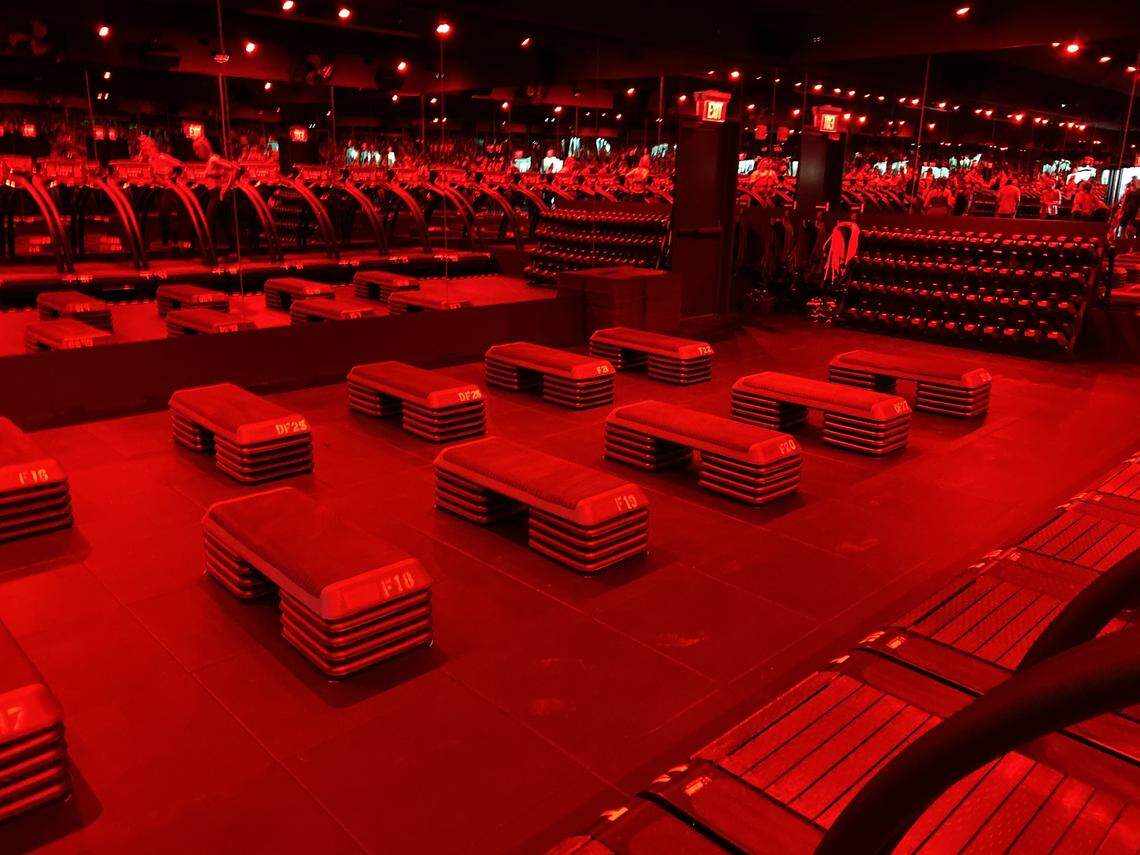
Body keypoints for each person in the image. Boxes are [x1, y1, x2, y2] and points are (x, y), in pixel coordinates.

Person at [192, 136, 239, 253]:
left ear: (204, 148)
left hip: (216, 196)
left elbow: (233, 167)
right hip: (215, 194)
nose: (197, 153)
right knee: (223, 224)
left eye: (197, 150)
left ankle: (212, 252)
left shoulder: (214, 159)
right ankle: (229, 251)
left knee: (210, 223)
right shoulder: (211, 160)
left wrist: (227, 185)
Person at [135, 134, 182, 247]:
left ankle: (171, 238)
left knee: (164, 212)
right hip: (158, 189)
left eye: (146, 148)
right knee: (161, 215)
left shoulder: (162, 157)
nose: (144, 151)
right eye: (143, 149)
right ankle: (166, 240)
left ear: (152, 148)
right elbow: (138, 164)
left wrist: (172, 177)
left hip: (168, 188)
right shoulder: (150, 160)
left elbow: (179, 164)